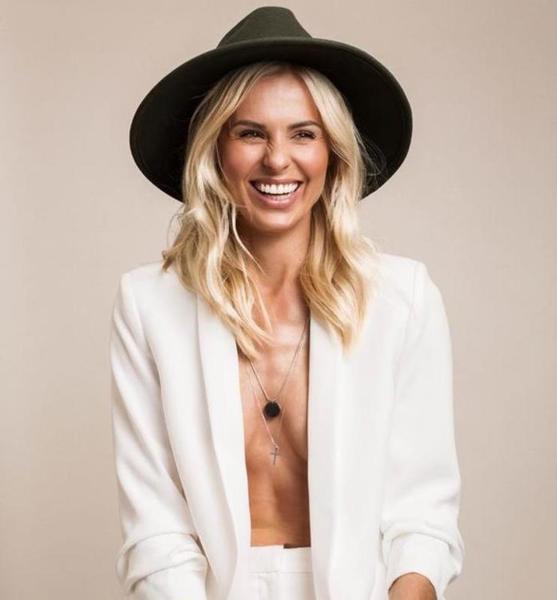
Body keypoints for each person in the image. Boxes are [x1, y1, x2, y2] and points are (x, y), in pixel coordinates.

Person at [109, 6, 465, 600]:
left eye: (304, 133)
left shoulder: (401, 299)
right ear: (215, 151)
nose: (278, 159)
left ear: (333, 152)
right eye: (251, 133)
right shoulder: (149, 305)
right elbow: (156, 530)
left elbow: (423, 517)